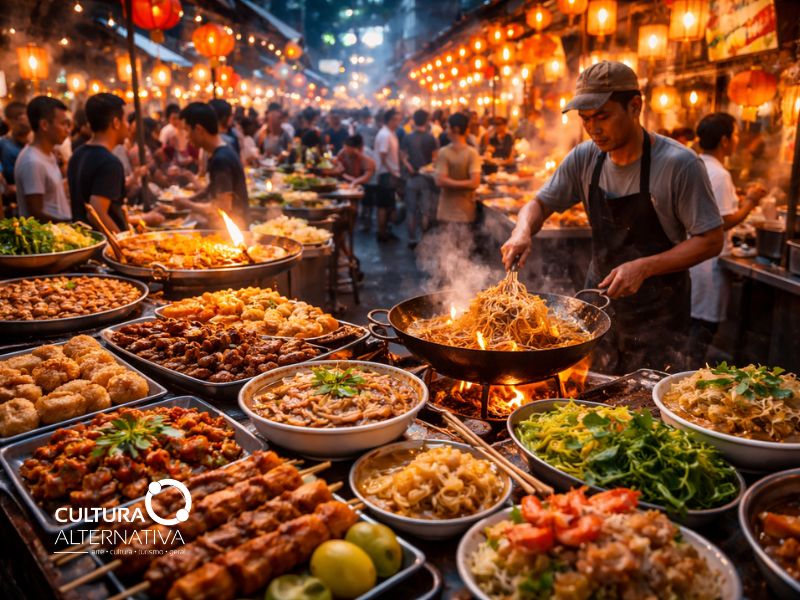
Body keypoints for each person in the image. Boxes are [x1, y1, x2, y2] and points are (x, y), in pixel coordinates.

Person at [501, 61, 724, 374]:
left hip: (658, 314)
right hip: (598, 303)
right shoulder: (585, 157)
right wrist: (521, 232)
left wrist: (644, 267)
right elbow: (538, 203)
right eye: (586, 119)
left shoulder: (679, 164)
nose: (593, 128)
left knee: (643, 409)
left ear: (635, 106)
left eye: (602, 116)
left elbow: (711, 240)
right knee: (591, 394)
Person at [689, 112, 766, 363]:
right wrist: (751, 202)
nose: (736, 140)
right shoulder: (719, 175)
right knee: (700, 334)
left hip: (693, 262)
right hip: (707, 265)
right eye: (734, 135)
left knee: (692, 333)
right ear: (724, 140)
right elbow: (721, 222)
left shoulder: (694, 164)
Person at [175, 102, 248, 226]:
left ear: (199, 130)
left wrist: (188, 204)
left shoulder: (221, 159)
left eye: (187, 130)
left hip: (232, 234)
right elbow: (211, 188)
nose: (186, 137)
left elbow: (221, 209)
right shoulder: (222, 151)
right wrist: (189, 199)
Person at [67, 93, 130, 233]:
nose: (128, 125)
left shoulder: (77, 154)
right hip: (104, 249)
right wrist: (123, 244)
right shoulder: (110, 163)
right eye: (125, 120)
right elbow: (96, 213)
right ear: (116, 123)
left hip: (84, 241)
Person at [14, 96, 71, 221]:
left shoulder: (48, 154)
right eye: (63, 124)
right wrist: (68, 225)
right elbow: (36, 213)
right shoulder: (32, 162)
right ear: (44, 125)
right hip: (51, 237)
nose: (67, 130)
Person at [434, 112, 481, 228]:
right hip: (460, 211)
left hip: (457, 211)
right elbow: (440, 181)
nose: (446, 130)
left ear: (456, 129)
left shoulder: (444, 152)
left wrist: (448, 182)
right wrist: (467, 183)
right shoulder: (472, 153)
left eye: (448, 127)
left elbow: (475, 182)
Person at [401, 109, 438, 247]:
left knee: (411, 210)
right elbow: (435, 160)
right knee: (425, 210)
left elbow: (403, 156)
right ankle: (423, 238)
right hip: (427, 180)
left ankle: (411, 239)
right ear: (427, 121)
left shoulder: (407, 137)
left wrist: (409, 166)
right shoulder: (431, 138)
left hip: (412, 178)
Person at [374, 108, 402, 242]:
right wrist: (393, 173)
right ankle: (382, 232)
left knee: (389, 205)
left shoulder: (391, 133)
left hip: (390, 173)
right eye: (396, 120)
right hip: (386, 174)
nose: (398, 123)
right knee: (383, 205)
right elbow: (383, 157)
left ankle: (386, 230)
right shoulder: (385, 134)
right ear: (390, 120)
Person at [0, 101, 31, 204]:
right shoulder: (3, 144)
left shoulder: (36, 144)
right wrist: (5, 188)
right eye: (20, 118)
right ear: (9, 121)